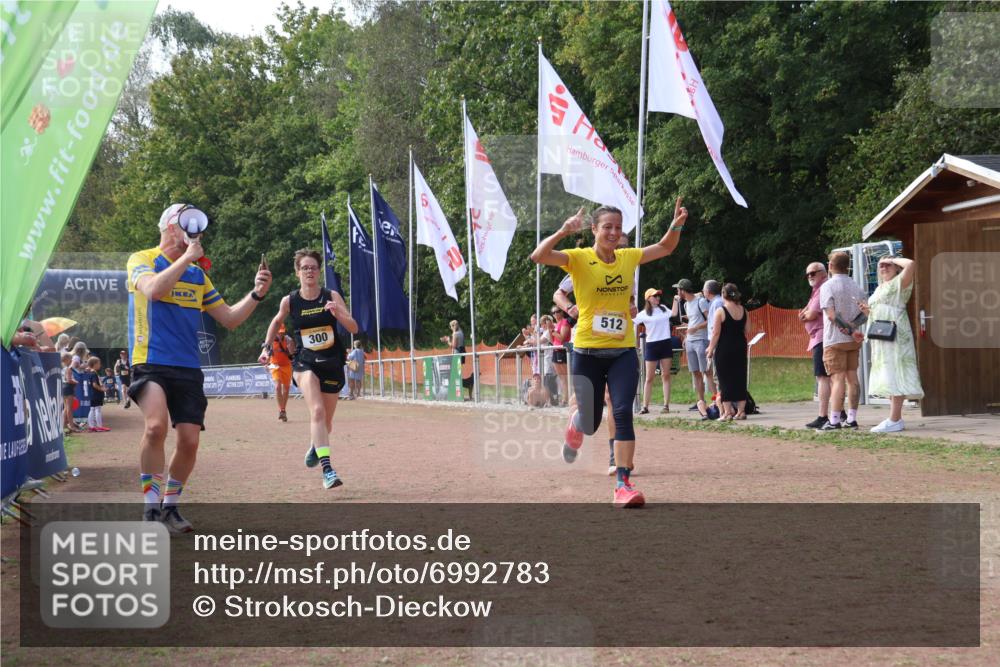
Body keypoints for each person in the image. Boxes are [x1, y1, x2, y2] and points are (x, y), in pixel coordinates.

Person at [531, 197, 689, 508]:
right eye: (607, 227)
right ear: (594, 229)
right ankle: (576, 423)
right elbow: (539, 256)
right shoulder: (578, 258)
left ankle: (623, 484)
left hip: (622, 351)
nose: (614, 232)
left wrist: (677, 224)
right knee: (590, 421)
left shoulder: (628, 257)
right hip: (587, 351)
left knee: (622, 412)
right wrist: (563, 231)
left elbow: (665, 247)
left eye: (618, 227)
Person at [129, 203, 272, 532]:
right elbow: (153, 291)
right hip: (151, 361)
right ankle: (150, 509)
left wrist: (257, 294)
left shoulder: (198, 276)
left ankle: (170, 506)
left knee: (190, 441)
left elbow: (230, 318)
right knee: (155, 427)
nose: (196, 233)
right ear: (170, 227)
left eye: (198, 227)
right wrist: (186, 259)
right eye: (187, 224)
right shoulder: (142, 259)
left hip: (187, 366)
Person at [260, 249, 357, 490]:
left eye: (313, 267)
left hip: (332, 362)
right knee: (317, 411)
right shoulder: (290, 301)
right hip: (305, 362)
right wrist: (266, 348)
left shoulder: (331, 295)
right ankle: (328, 470)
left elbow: (353, 327)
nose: (309, 271)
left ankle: (316, 445)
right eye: (304, 268)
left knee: (326, 423)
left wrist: (338, 313)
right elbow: (276, 321)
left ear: (319, 271)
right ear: (298, 272)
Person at [859, 256, 923, 433]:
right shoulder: (880, 287)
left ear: (896, 268)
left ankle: (894, 419)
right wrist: (867, 311)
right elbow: (877, 312)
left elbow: (911, 264)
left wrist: (892, 258)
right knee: (887, 374)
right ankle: (895, 418)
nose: (884, 267)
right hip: (882, 336)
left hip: (896, 336)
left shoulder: (899, 283)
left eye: (888, 265)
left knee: (896, 373)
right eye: (881, 265)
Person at [817, 251, 867, 432]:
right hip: (852, 341)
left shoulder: (827, 286)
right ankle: (852, 419)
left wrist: (846, 328)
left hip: (834, 340)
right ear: (848, 266)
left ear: (830, 266)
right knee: (852, 378)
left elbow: (831, 315)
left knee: (837, 379)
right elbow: (865, 313)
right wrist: (853, 328)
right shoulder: (857, 286)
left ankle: (834, 420)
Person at [706, 283, 750, 420]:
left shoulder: (721, 311)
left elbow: (716, 333)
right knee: (740, 378)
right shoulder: (744, 310)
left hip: (725, 348)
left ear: (724, 294)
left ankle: (727, 413)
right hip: (740, 347)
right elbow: (747, 330)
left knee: (724, 379)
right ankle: (741, 411)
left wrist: (710, 349)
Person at [799, 262, 835, 429]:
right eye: (808, 274)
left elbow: (811, 314)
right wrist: (805, 314)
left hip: (821, 337)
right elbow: (804, 313)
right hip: (821, 337)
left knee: (823, 377)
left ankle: (823, 416)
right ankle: (839, 412)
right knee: (832, 378)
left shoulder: (822, 288)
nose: (810, 276)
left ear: (823, 272)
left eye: (813, 273)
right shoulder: (816, 290)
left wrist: (805, 315)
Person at [672, 279, 714, 407]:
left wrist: (696, 328)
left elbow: (710, 320)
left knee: (707, 372)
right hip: (690, 341)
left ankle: (716, 401)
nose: (677, 292)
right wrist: (686, 337)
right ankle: (701, 402)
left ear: (683, 290)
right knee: (695, 373)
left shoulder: (700, 302)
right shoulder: (686, 304)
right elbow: (692, 321)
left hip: (701, 340)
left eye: (678, 289)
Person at [633, 287, 673, 414]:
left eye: (658, 296)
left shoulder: (664, 308)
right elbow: (632, 320)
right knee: (649, 377)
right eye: (655, 296)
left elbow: (674, 313)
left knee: (665, 375)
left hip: (665, 343)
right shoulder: (643, 313)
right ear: (648, 299)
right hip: (652, 345)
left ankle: (666, 405)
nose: (657, 298)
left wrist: (676, 300)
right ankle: (645, 406)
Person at [266, 324, 295, 421]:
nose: (280, 334)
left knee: (286, 389)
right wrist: (266, 364)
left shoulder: (288, 340)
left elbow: (292, 353)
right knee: (278, 387)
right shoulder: (270, 341)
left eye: (282, 332)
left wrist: (291, 348)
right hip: (275, 365)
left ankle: (283, 410)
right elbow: (265, 354)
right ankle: (281, 410)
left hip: (287, 365)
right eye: (279, 332)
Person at [441, 320, 472, 401]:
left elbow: (454, 346)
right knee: (458, 374)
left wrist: (447, 341)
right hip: (461, 354)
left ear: (453, 326)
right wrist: (449, 337)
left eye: (451, 327)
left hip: (457, 355)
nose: (450, 328)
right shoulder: (461, 332)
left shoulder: (455, 333)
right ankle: (459, 394)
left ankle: (457, 395)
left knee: (455, 375)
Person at [550, 307, 571, 406]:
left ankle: (566, 399)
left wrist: (553, 332)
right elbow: (552, 341)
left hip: (562, 351)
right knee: (561, 378)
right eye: (553, 312)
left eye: (557, 311)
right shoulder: (556, 324)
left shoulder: (564, 322)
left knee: (565, 377)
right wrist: (551, 331)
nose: (555, 314)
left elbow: (562, 338)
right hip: (555, 350)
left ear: (562, 312)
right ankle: (564, 398)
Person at [61, 352, 83, 434]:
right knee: (69, 408)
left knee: (66, 408)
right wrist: (76, 382)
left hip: (64, 388)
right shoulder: (68, 369)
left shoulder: (63, 368)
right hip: (68, 388)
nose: (72, 360)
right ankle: (72, 426)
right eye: (71, 359)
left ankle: (64, 425)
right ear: (67, 360)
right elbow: (69, 380)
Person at [86, 357, 110, 432]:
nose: (100, 365)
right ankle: (99, 426)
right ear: (94, 364)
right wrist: (102, 389)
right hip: (96, 394)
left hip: (92, 394)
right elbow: (94, 385)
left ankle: (92, 426)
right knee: (97, 409)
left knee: (92, 409)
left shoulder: (90, 373)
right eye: (99, 363)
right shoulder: (94, 373)